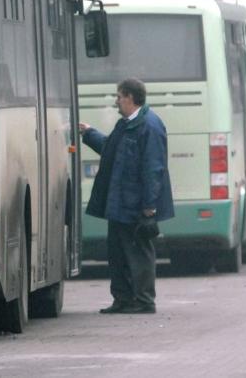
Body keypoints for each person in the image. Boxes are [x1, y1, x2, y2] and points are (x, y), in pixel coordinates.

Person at [80, 78, 174, 314]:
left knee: (139, 253)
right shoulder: (126, 124)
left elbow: (153, 168)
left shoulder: (150, 126)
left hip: (136, 205)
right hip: (119, 203)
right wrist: (89, 133)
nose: (116, 101)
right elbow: (110, 148)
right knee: (117, 252)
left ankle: (143, 301)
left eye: (119, 96)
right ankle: (122, 299)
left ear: (130, 98)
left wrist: (150, 206)